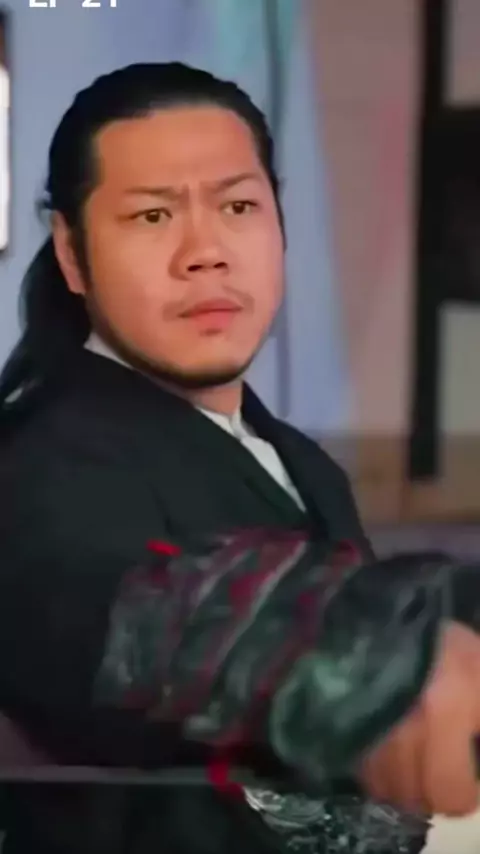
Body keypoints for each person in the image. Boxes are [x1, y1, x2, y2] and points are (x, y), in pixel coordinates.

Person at [0, 63, 479, 854]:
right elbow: (112, 616)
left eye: (238, 206)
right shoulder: (36, 467)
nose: (206, 252)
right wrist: (384, 659)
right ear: (74, 255)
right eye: (153, 215)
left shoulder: (302, 464)